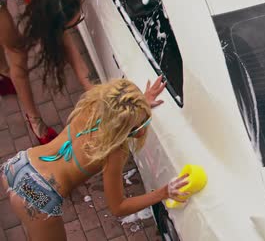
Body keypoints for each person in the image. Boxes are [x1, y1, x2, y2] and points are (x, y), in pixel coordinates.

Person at [1, 76, 188, 240]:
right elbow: (119, 207)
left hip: (18, 165)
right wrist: (163, 193)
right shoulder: (114, 151)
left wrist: (139, 104)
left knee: (34, 228)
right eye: (143, 123)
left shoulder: (93, 106)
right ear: (128, 128)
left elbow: (117, 110)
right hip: (38, 196)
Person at [0, 0, 101, 144]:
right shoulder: (39, 4)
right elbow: (72, 53)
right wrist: (91, 88)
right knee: (17, 53)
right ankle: (34, 120)